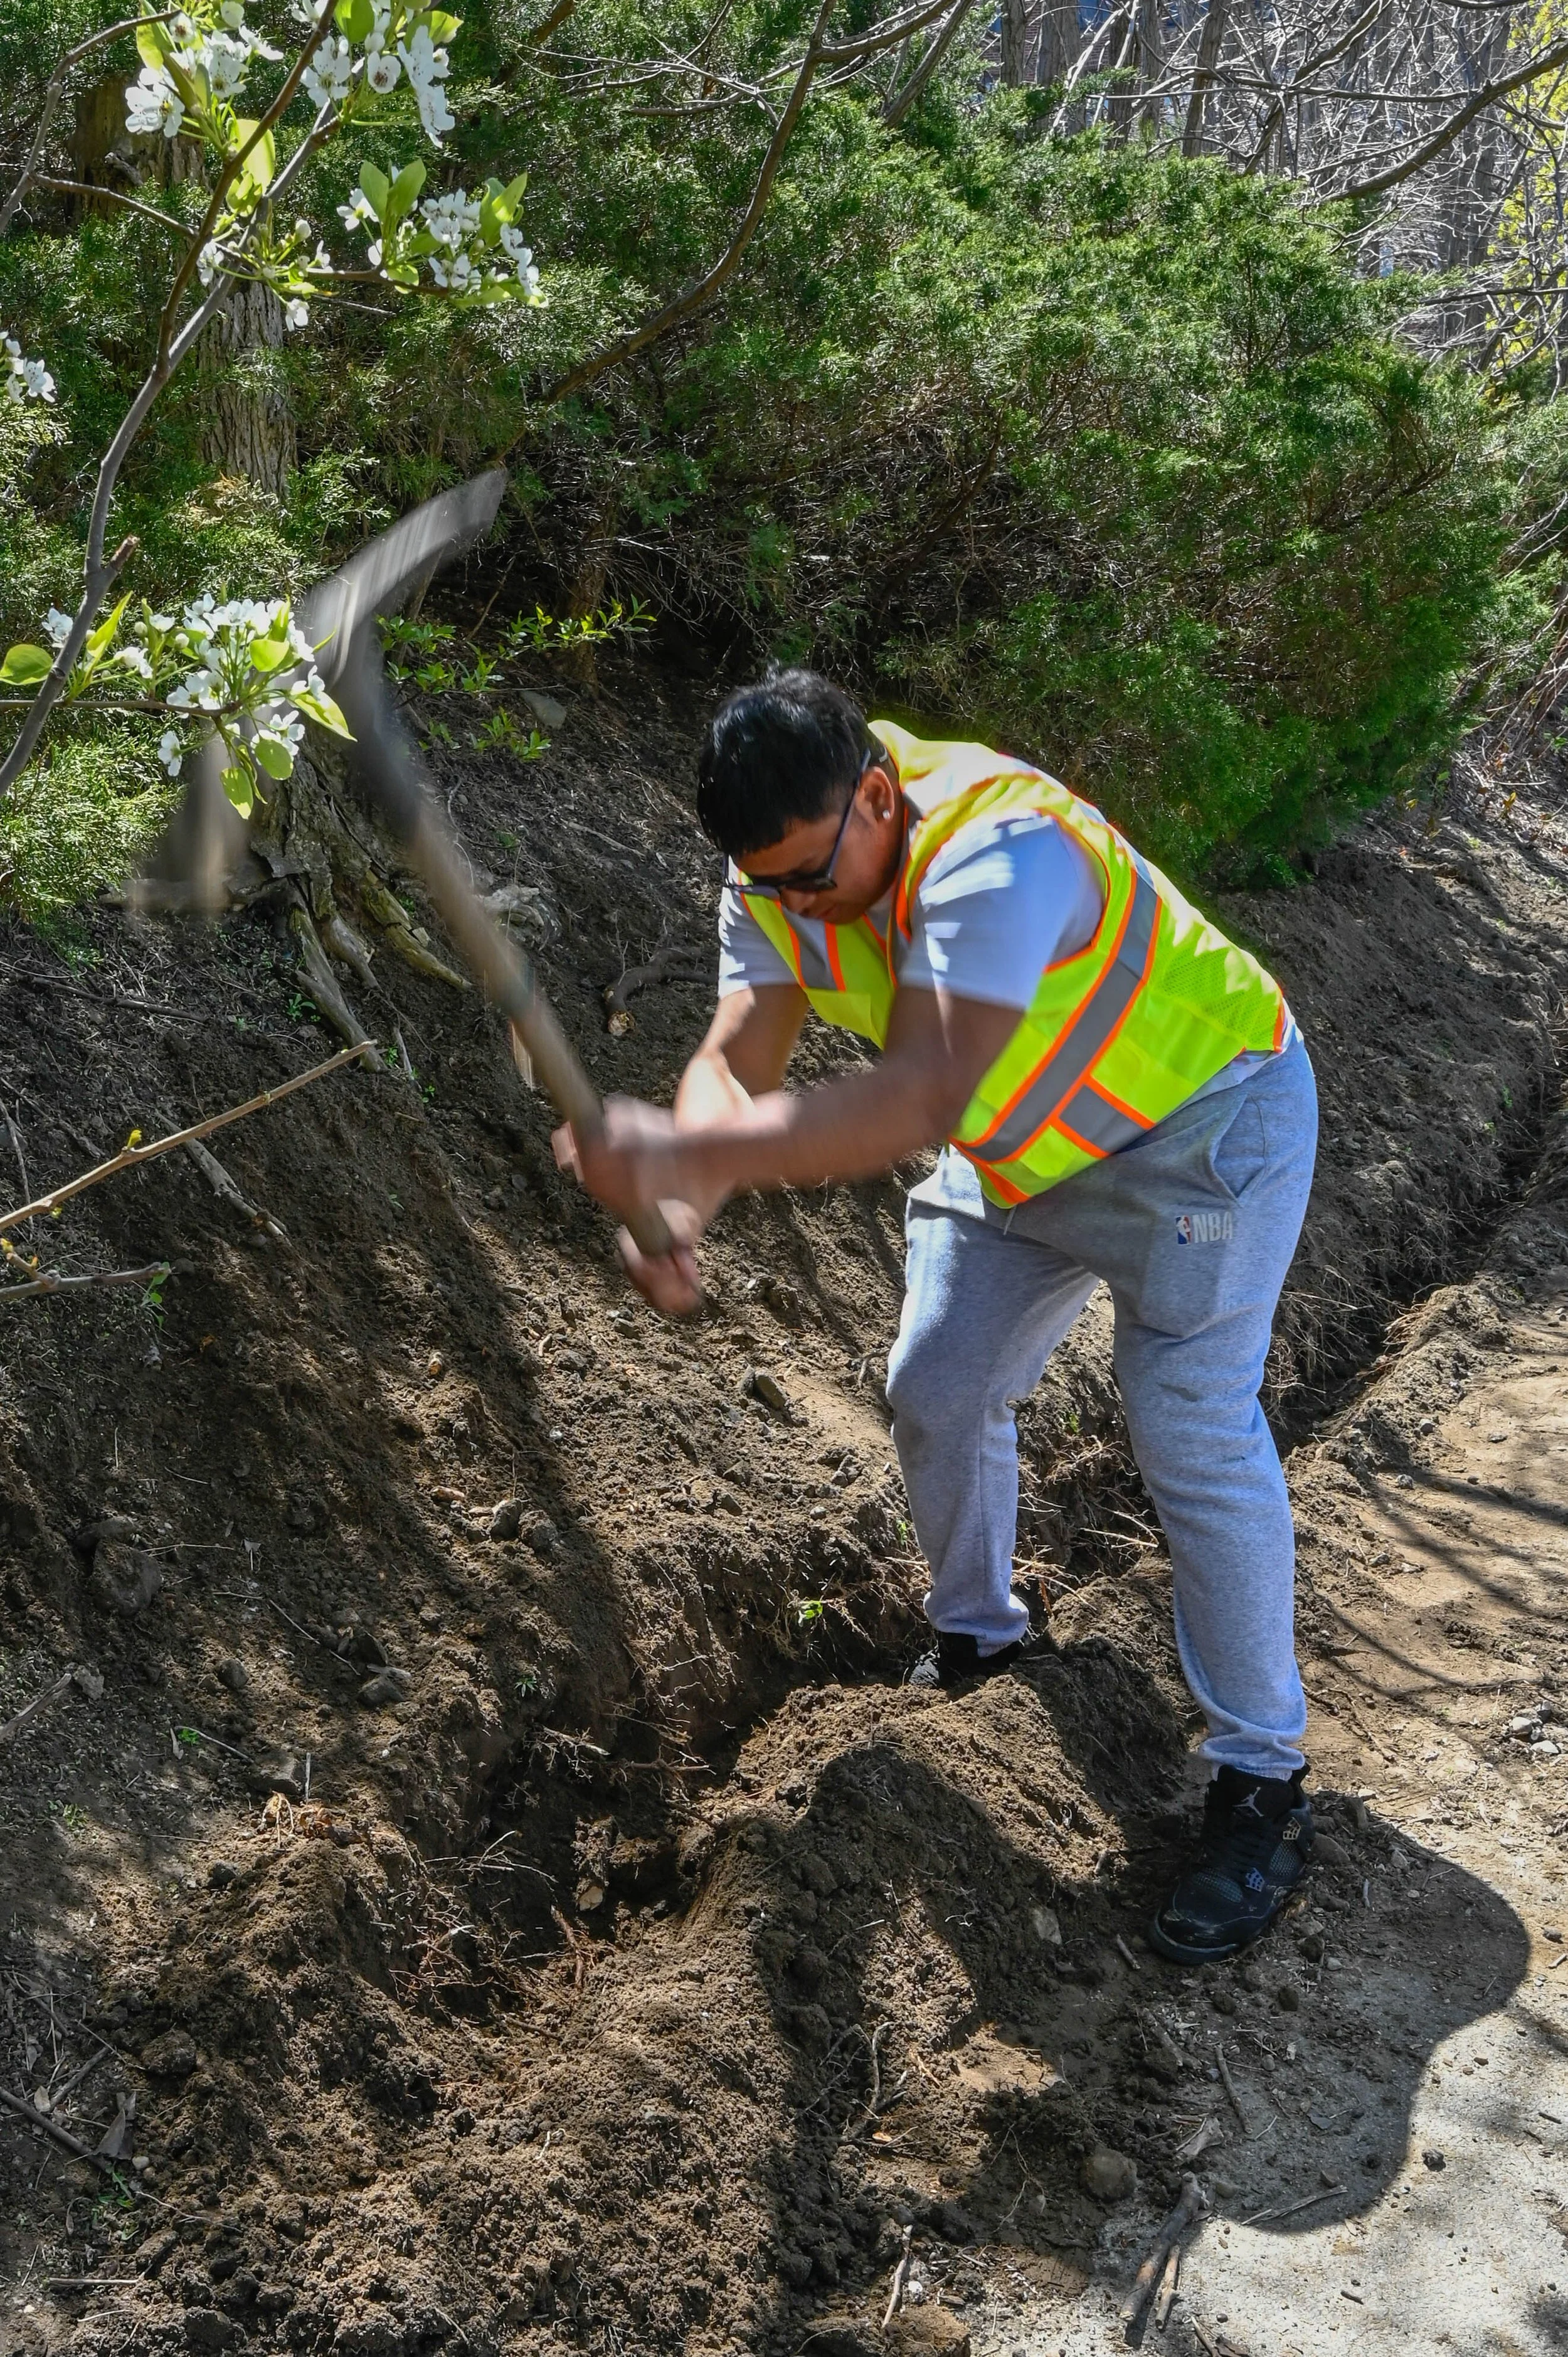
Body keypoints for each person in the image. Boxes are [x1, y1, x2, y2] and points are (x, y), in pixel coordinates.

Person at [556, 670, 1318, 1962]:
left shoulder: (999, 851)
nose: (795, 905)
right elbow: (739, 1050)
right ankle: (978, 1644)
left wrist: (691, 1159)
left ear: (871, 795)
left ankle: (1260, 1785)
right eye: (769, 884)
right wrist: (682, 1191)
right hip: (1021, 1156)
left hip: (1203, 1135)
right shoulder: (776, 871)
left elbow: (917, 1093)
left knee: (1185, 1422)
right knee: (936, 1383)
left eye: (809, 875)